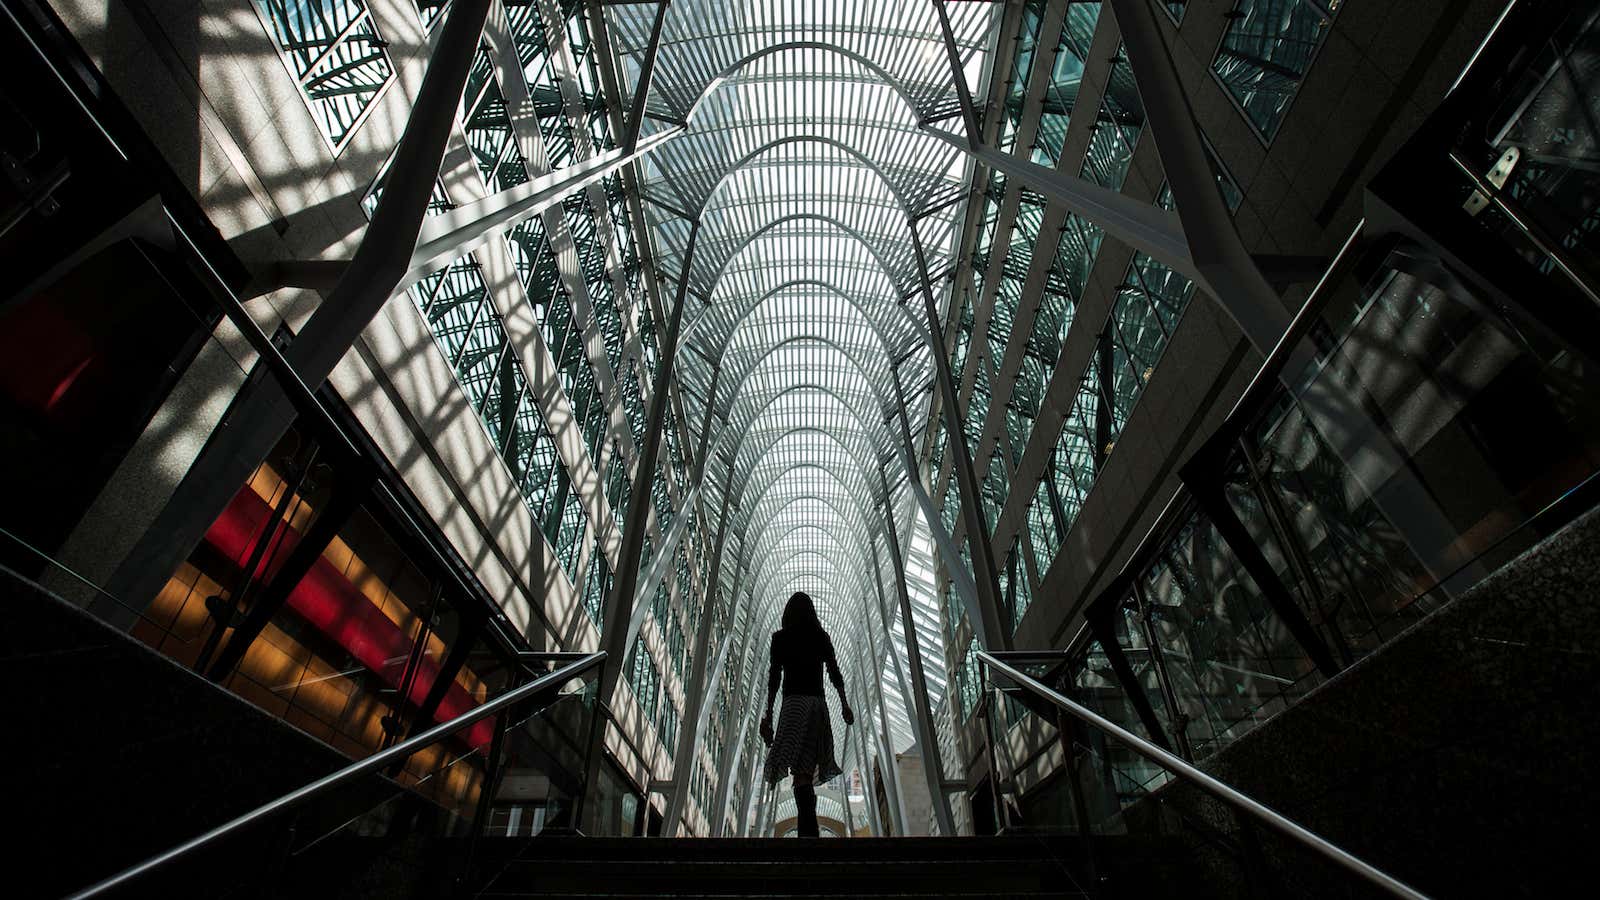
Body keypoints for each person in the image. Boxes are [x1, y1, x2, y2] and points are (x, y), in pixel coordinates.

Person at [760, 591, 853, 837]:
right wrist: (844, 704)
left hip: (793, 706)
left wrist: (769, 713)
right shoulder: (820, 637)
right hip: (816, 708)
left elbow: (774, 678)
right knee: (805, 771)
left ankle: (806, 834)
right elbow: (835, 672)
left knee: (799, 773)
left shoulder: (780, 638)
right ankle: (809, 833)